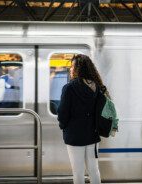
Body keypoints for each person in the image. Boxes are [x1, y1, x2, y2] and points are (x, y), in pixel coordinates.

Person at [57, 54, 104, 184]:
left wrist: (63, 125)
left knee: (78, 172)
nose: (71, 69)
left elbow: (62, 112)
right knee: (94, 170)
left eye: (72, 66)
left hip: (74, 136)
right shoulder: (97, 87)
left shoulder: (69, 88)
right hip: (93, 135)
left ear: (78, 69)